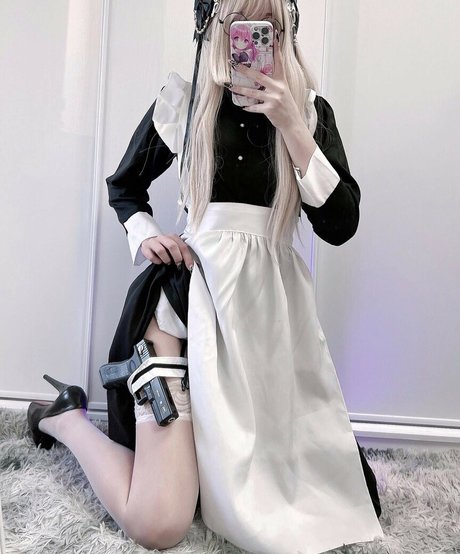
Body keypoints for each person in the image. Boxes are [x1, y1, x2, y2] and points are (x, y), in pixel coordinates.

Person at [27, 1, 385, 552]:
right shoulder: (185, 103)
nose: (253, 41)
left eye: (267, 27)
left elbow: (341, 225)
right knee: (159, 523)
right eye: (240, 25)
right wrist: (145, 233)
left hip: (269, 320)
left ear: (285, 30)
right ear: (215, 28)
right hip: (181, 304)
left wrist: (292, 124)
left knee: (335, 502)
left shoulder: (310, 115)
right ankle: (64, 417)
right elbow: (125, 186)